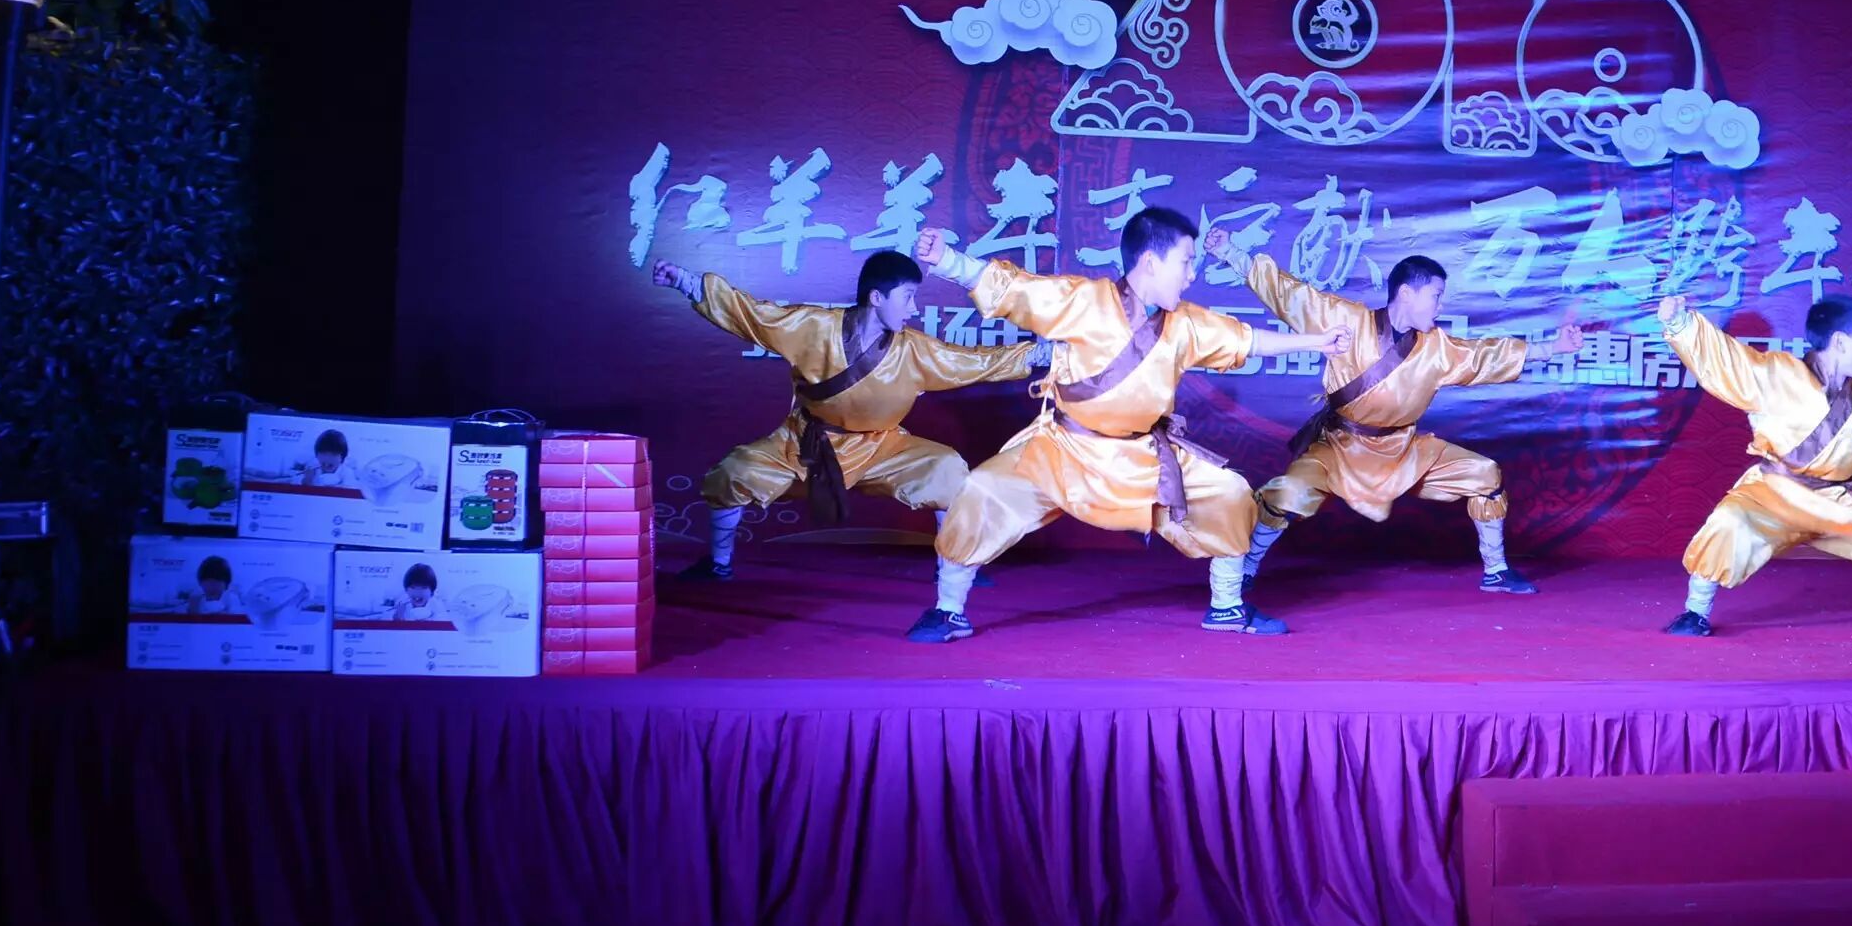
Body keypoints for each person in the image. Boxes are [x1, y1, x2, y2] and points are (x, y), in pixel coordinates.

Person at [908, 208, 1348, 643]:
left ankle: (1227, 605)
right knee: (981, 491)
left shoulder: (1185, 323)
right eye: (1186, 262)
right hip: (1063, 451)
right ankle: (948, 609)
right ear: (1151, 261)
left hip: (1143, 458)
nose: (1191, 274)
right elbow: (1016, 290)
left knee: (1229, 493)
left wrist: (1317, 342)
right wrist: (947, 260)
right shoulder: (1084, 301)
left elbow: (1246, 340)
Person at [1200, 229, 1582, 596]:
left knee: (1484, 473)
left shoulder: (1438, 349)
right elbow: (1288, 293)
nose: (1440, 306)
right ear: (1406, 293)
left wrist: (1552, 348)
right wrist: (1231, 253)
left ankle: (1496, 570)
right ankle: (1246, 569)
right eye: (1436, 296)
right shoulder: (1346, 320)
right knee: (1288, 492)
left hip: (1404, 452)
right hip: (1340, 449)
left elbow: (1485, 356)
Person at [653, 249, 1041, 581]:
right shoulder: (813, 328)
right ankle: (718, 565)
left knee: (947, 470)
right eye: (907, 297)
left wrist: (1039, 354)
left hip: (882, 449)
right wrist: (688, 283)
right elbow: (754, 315)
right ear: (876, 297)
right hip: (805, 446)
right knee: (733, 473)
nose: (914, 309)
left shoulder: (914, 349)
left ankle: (954, 569)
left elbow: (972, 362)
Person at [1655, 251, 1852, 637]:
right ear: (1840, 342)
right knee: (1729, 521)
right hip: (1774, 495)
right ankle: (1695, 611)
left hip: (1836, 501)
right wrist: (1681, 324)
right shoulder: (1778, 374)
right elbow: (1726, 361)